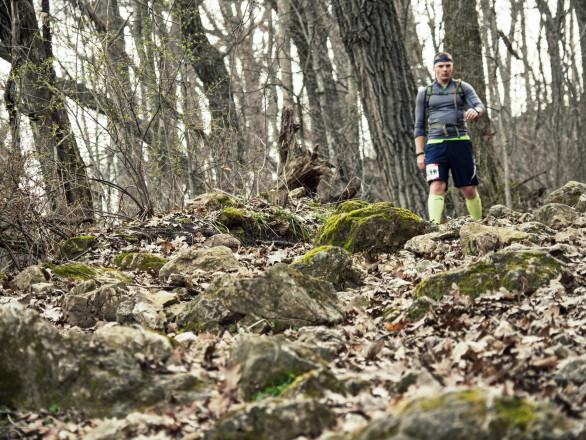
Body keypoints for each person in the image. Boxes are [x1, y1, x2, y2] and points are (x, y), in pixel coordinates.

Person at [414, 51, 486, 224]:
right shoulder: (425, 92)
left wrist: (475, 111)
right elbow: (419, 125)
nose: (445, 70)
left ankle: (479, 225)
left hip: (460, 143)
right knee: (437, 185)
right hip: (435, 146)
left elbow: (480, 105)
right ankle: (434, 227)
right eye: (441, 66)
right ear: (434, 68)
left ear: (452, 67)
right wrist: (419, 153)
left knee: (468, 188)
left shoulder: (463, 87)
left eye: (448, 66)